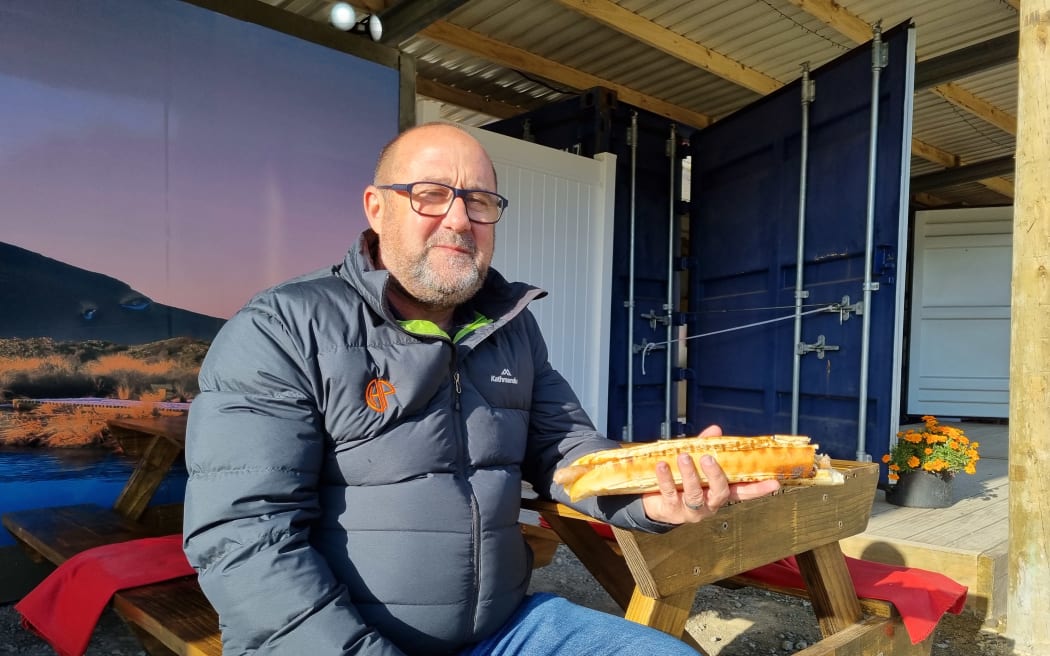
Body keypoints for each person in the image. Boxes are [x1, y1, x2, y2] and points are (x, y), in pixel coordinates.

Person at [182, 122, 780, 655]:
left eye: (480, 201)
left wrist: (651, 501)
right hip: (340, 637)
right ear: (375, 207)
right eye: (430, 195)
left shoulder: (512, 328)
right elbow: (242, 537)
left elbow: (567, 451)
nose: (459, 218)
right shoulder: (284, 326)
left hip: (505, 631)